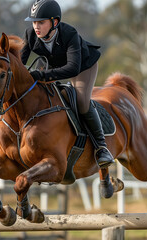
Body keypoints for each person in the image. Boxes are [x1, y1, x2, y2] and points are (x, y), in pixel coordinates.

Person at [21, 0, 114, 168]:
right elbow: (20, 66)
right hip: (54, 67)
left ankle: (101, 147)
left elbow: (72, 68)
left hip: (83, 67)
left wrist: (40, 74)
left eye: (41, 22)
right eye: (34, 22)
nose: (36, 26)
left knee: (81, 102)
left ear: (54, 22)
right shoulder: (30, 35)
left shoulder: (69, 34)